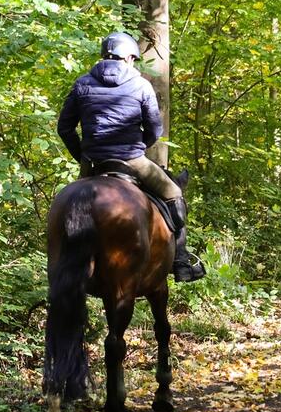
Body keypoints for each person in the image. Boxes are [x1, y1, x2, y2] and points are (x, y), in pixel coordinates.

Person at [56, 32, 206, 283]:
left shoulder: (82, 83)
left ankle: (61, 260)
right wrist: (138, 149)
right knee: (174, 194)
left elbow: (65, 128)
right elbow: (155, 130)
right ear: (128, 56)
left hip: (93, 162)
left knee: (65, 204)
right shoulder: (140, 85)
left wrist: (82, 156)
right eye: (134, 59)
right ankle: (180, 260)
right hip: (133, 160)